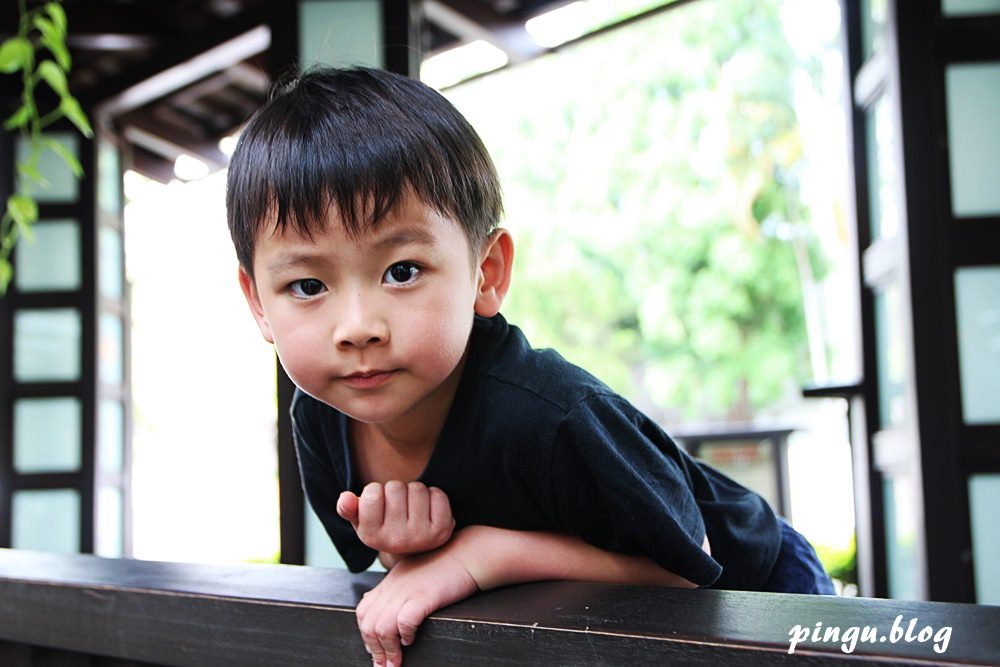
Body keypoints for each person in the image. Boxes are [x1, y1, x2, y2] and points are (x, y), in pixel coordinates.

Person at [227, 66, 834, 667]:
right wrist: (409, 553)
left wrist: (478, 555)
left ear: (486, 273)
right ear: (258, 303)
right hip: (598, 618)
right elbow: (424, 576)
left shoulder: (548, 413)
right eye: (308, 284)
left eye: (402, 271)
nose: (357, 326)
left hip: (760, 587)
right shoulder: (321, 419)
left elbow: (686, 565)